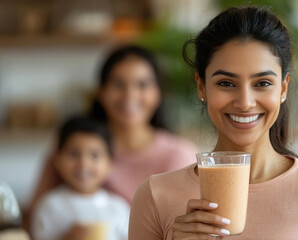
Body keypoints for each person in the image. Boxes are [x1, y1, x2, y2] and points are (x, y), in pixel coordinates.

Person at [129, 6, 298, 240]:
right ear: (201, 86)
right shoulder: (155, 195)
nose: (245, 103)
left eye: (262, 83)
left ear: (283, 88)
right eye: (226, 83)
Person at [25, 45, 197, 231]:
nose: (129, 95)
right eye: (118, 84)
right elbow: (32, 222)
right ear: (100, 92)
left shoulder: (179, 156)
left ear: (158, 94)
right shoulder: (73, 147)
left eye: (142, 84)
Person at [31, 116, 129, 240]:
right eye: (74, 154)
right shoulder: (50, 206)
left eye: (94, 155)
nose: (83, 164)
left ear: (110, 163)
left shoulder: (118, 208)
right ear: (57, 159)